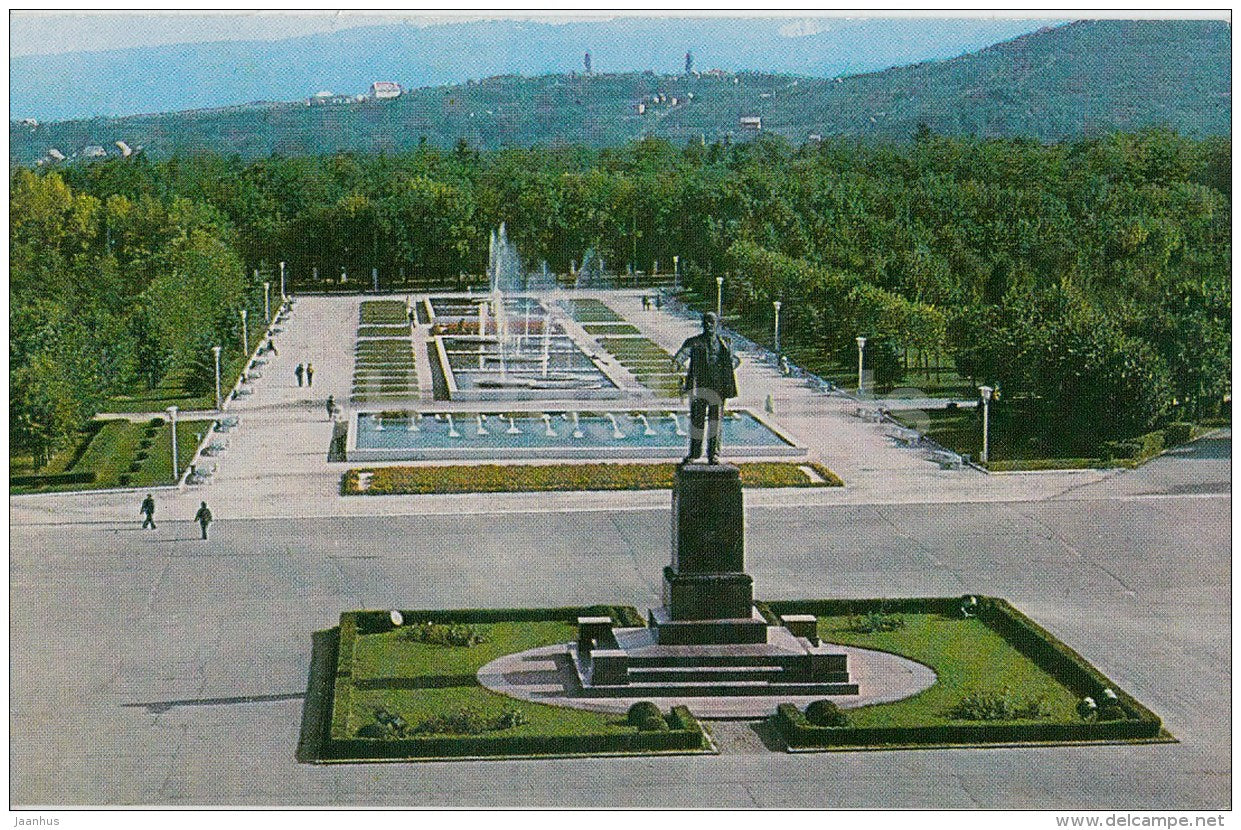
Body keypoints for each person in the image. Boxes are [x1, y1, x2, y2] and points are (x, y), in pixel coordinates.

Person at [672, 311, 740, 465]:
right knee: (697, 421)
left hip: (719, 388)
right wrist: (676, 363)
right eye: (706, 322)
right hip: (699, 388)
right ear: (702, 324)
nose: (709, 325)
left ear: (717, 324)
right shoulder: (694, 342)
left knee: (716, 422)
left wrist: (730, 366)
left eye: (712, 322)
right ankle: (695, 453)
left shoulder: (725, 343)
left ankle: (713, 454)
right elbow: (683, 353)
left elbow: (735, 360)